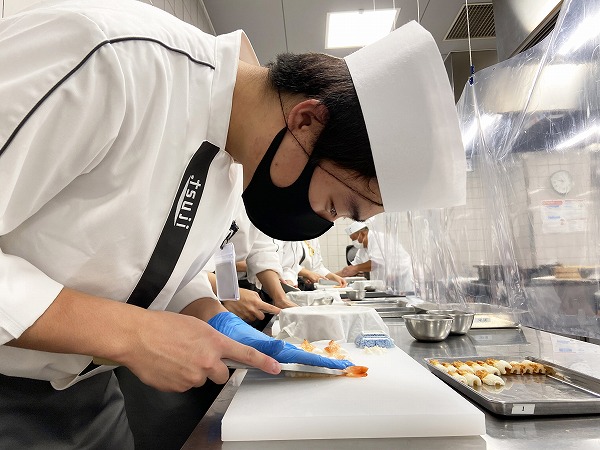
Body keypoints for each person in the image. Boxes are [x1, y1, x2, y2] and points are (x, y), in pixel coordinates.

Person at [0, 0, 466, 447]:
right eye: (337, 204)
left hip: (90, 397)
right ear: (306, 120)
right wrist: (132, 334)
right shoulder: (109, 57)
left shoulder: (230, 162)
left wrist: (209, 313)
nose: (328, 221)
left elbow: (149, 267)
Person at [338, 221, 415, 293]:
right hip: (387, 285)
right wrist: (332, 276)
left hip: (403, 279)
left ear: (362, 234)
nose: (353, 242)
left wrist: (356, 268)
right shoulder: (362, 250)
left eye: (354, 239)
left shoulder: (378, 239)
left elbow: (376, 263)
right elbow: (349, 270)